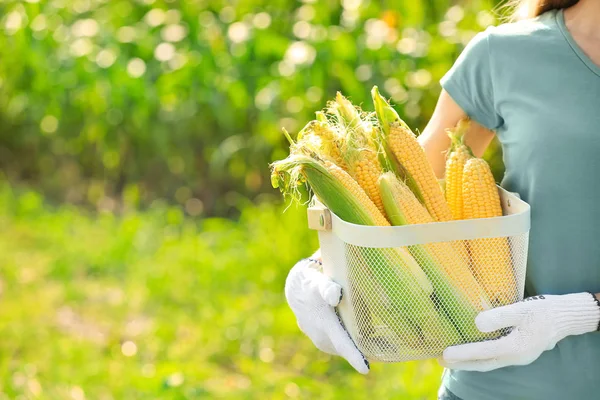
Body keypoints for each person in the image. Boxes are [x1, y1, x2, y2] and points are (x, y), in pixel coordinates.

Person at [284, 0, 600, 398]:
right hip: (495, 386)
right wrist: (321, 267)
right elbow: (408, 198)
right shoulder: (503, 55)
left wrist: (583, 313)